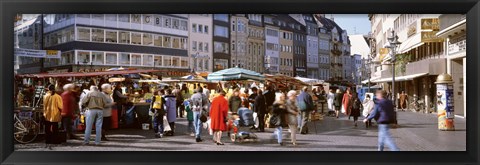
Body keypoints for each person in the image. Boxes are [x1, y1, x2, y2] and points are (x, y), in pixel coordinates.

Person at [43, 84, 63, 150]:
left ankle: (47, 140)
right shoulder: (58, 96)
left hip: (47, 114)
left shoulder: (45, 96)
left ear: (48, 89)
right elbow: (60, 106)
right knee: (55, 128)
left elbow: (44, 105)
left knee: (47, 128)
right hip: (55, 114)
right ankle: (55, 140)